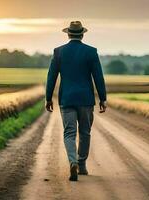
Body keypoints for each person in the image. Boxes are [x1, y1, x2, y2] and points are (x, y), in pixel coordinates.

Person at [45, 21, 107, 181]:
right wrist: (103, 98)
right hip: (86, 99)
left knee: (69, 133)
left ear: (68, 34)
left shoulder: (58, 52)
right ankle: (82, 164)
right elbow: (98, 76)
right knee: (85, 132)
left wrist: (48, 97)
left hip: (66, 98)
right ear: (82, 34)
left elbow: (51, 76)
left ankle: (72, 161)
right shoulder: (91, 52)